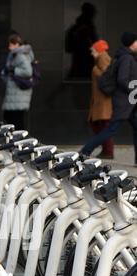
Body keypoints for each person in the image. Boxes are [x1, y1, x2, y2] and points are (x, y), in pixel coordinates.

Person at [81, 32, 137, 163]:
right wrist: (134, 89)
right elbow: (122, 79)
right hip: (125, 101)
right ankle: (85, 151)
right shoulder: (126, 58)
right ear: (132, 43)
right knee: (112, 129)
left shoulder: (127, 57)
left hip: (130, 101)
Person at [2, 33, 34, 130]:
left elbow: (28, 71)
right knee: (12, 118)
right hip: (14, 93)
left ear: (17, 44)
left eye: (11, 44)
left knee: (15, 119)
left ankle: (20, 140)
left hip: (18, 93)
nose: (9, 47)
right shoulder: (14, 55)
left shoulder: (20, 56)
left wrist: (13, 71)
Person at [88, 40, 113, 158]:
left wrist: (95, 70)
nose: (92, 53)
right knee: (97, 125)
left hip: (104, 101)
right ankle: (106, 149)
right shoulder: (100, 59)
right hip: (99, 100)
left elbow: (107, 76)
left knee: (102, 126)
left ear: (98, 50)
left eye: (93, 51)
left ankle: (108, 151)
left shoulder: (103, 58)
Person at [65, 2, 98, 80]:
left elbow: (69, 48)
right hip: (84, 64)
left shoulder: (76, 28)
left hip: (81, 63)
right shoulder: (86, 28)